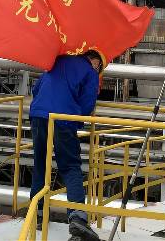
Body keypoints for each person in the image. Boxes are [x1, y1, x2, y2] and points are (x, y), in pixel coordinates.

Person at [29, 50, 104, 241]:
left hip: (38, 116)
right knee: (70, 167)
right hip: (63, 119)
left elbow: (36, 89)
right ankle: (78, 218)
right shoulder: (90, 72)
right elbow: (87, 106)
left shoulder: (59, 60)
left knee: (40, 165)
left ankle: (37, 214)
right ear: (96, 62)